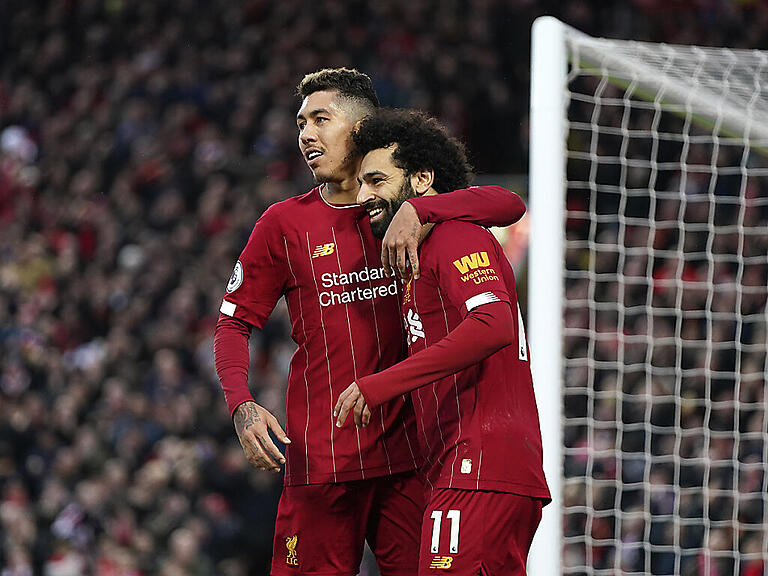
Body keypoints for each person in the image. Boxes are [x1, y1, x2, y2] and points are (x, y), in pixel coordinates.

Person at [213, 68, 528, 576]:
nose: (306, 134)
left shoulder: (392, 206)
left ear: (359, 128)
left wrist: (422, 212)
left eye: (320, 119)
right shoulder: (283, 223)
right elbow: (232, 323)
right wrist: (241, 403)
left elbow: (509, 204)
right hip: (322, 461)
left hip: (408, 460)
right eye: (301, 123)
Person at [335, 108, 551, 575]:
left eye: (377, 180)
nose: (364, 195)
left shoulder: (455, 237)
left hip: (480, 464)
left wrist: (380, 384)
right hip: (462, 465)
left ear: (422, 179)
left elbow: (493, 323)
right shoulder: (420, 253)